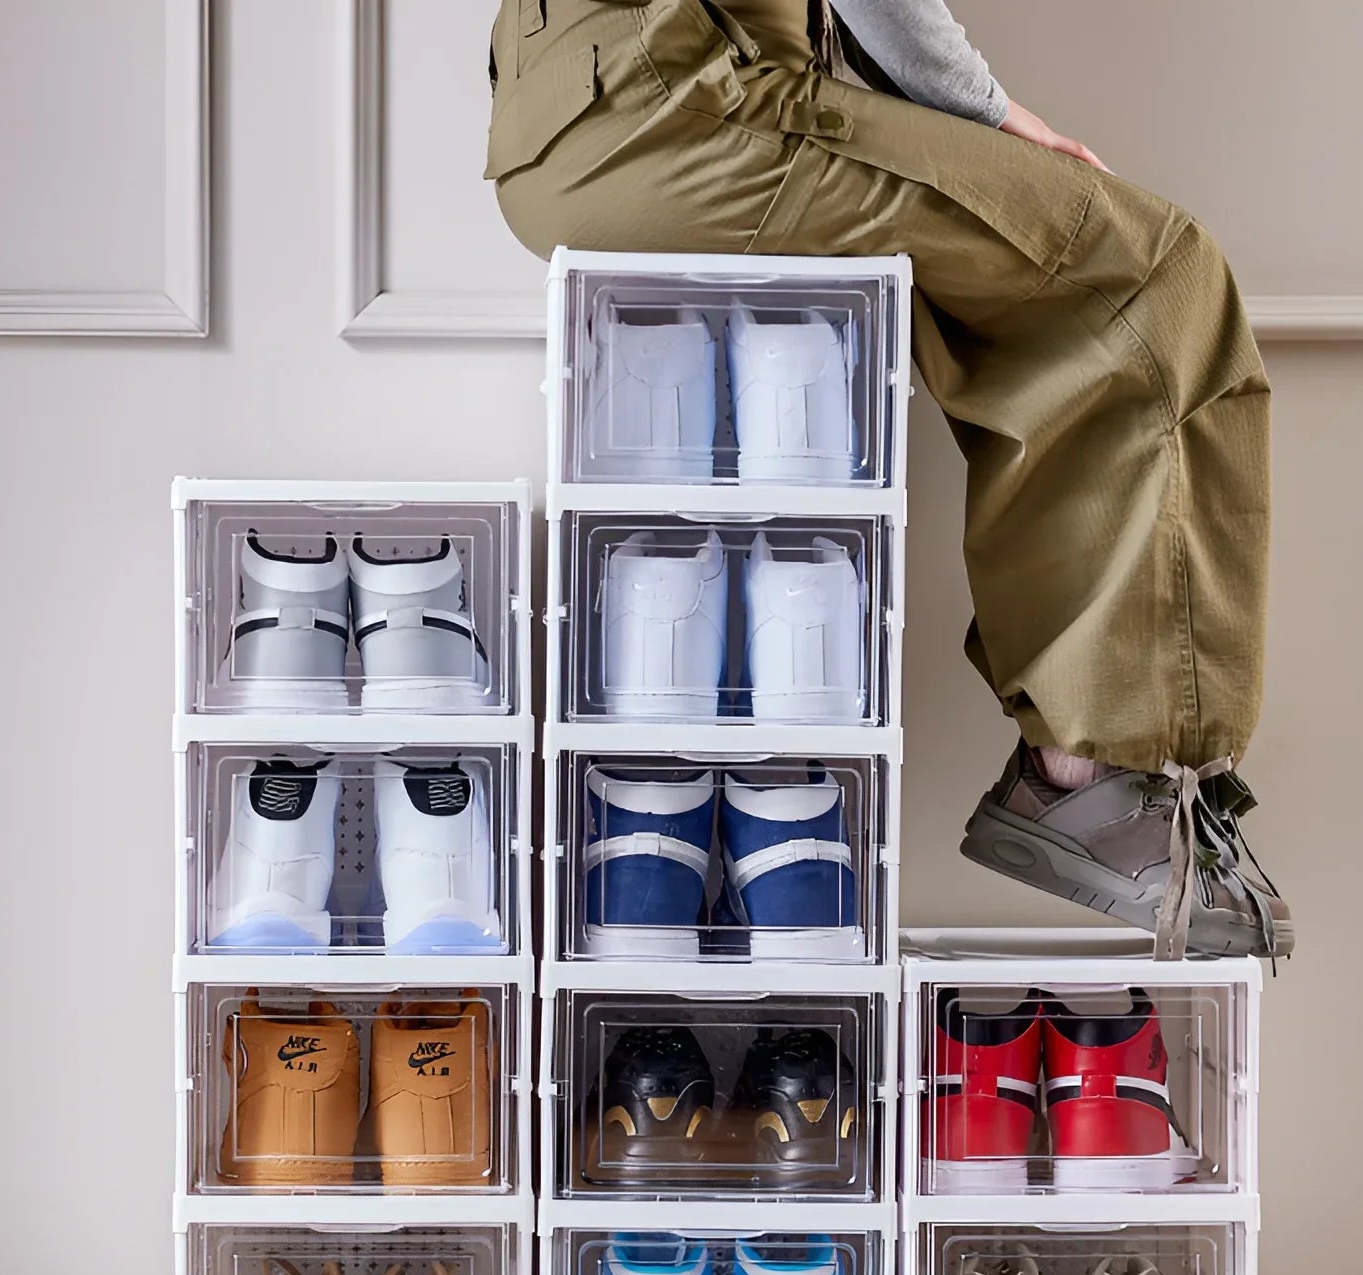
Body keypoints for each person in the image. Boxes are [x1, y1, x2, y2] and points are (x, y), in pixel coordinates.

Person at [485, 0, 1292, 961]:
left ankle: (1073, 766)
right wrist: (994, 115)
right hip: (686, 103)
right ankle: (1104, 777)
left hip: (556, 127)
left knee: (1013, 289)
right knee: (1157, 277)